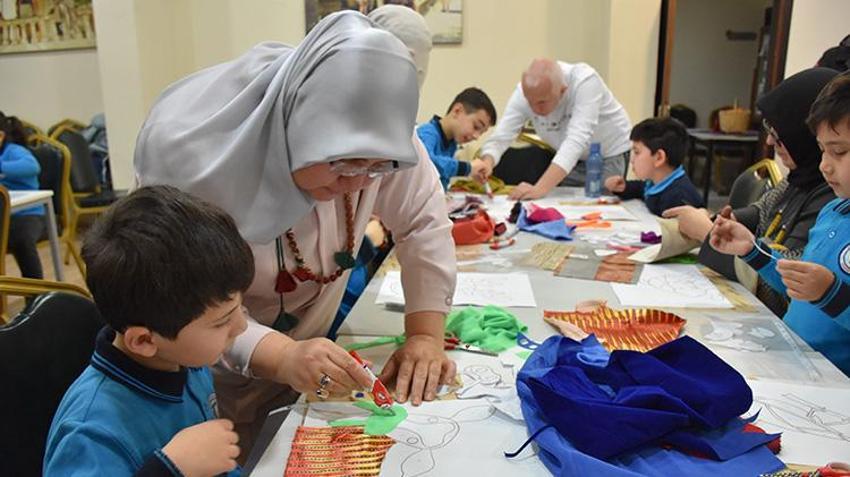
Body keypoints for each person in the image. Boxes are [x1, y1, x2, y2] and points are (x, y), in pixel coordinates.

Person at [134, 11, 457, 453]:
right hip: (207, 369)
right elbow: (187, 304)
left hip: (306, 366)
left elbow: (423, 221)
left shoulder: (378, 134)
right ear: (298, 127)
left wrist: (424, 334)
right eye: (344, 163)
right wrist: (281, 355)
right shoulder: (199, 164)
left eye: (378, 167)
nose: (360, 183)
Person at [43, 186, 259, 476]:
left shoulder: (182, 360)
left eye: (239, 309)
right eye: (222, 321)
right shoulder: (90, 430)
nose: (241, 327)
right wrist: (169, 469)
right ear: (144, 341)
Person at [708, 72, 850, 376]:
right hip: (793, 360)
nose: (825, 164)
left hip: (834, 385)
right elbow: (796, 283)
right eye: (822, 150)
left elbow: (826, 294)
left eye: (839, 151)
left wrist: (832, 294)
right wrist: (753, 251)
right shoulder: (832, 212)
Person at [664, 68, 838, 316]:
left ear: (805, 137)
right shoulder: (799, 177)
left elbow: (783, 280)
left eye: (779, 137)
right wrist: (724, 221)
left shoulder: (830, 197)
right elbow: (761, 211)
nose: (769, 143)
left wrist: (706, 232)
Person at [475, 58, 632, 200]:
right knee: (561, 203)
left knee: (601, 204)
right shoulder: (526, 92)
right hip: (573, 159)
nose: (535, 109)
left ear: (562, 91)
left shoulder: (585, 82)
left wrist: (539, 189)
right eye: (530, 102)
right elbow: (502, 135)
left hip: (609, 152)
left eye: (542, 102)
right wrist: (488, 162)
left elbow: (575, 141)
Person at [604, 117, 703, 216]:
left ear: (659, 158)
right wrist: (624, 187)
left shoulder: (679, 199)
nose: (631, 160)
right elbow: (642, 189)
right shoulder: (657, 182)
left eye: (637, 152)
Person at [417, 87, 497, 190]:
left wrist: (472, 173)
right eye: (476, 127)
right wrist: (467, 168)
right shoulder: (427, 133)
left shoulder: (451, 143)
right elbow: (426, 164)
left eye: (481, 133)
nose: (476, 137)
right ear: (457, 111)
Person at [0, 111, 46, 279]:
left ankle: (35, 294)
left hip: (30, 214)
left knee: (22, 239)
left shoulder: (14, 151)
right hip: (5, 216)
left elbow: (32, 167)